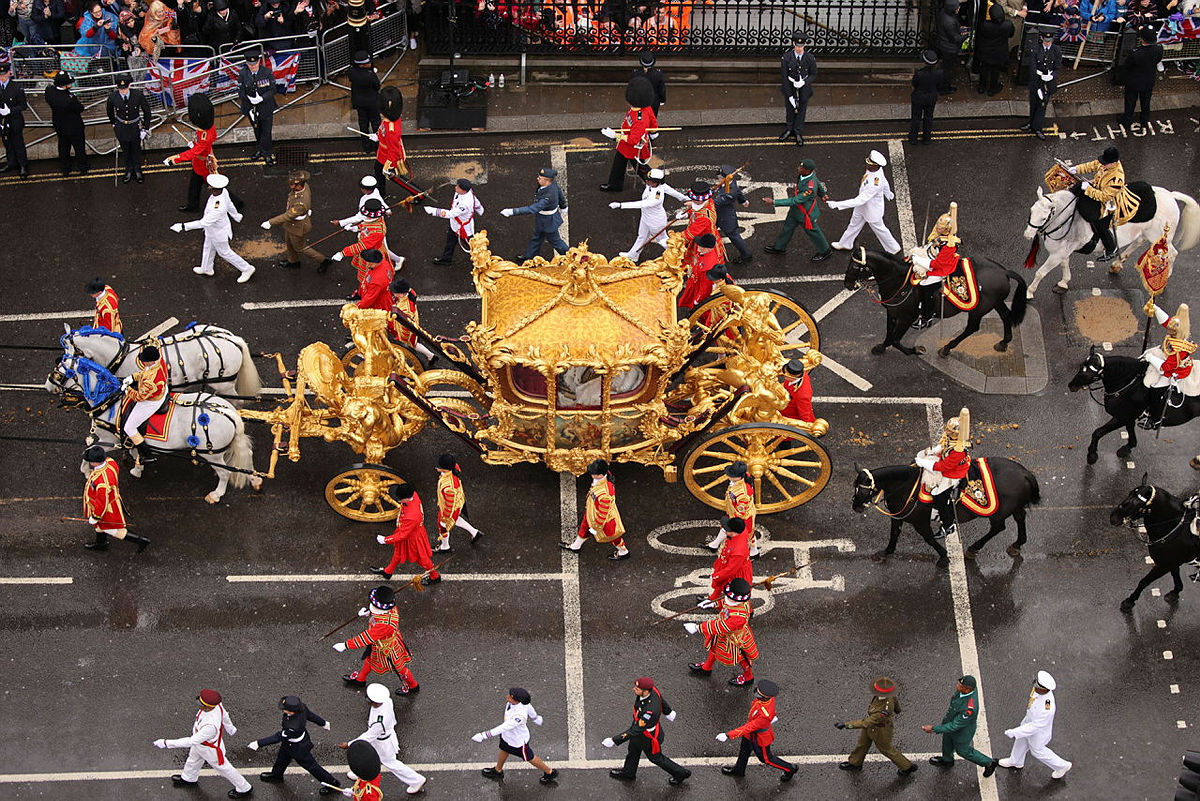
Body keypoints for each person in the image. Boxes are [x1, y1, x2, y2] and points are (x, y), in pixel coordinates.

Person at [151, 688, 253, 798]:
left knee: (224, 769)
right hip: (200, 744)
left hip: (209, 750)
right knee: (193, 759)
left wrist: (166, 743)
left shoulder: (210, 725)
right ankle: (188, 778)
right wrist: (230, 727)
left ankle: (244, 787)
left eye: (201, 704)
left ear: (208, 707)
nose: (198, 705)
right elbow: (224, 715)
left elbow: (191, 741)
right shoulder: (216, 705)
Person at [602, 677, 691, 785]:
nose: (634, 689)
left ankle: (680, 773)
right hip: (640, 733)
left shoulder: (649, 712)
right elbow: (661, 700)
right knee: (633, 750)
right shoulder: (652, 690)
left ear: (645, 691)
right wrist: (668, 712)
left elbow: (635, 730)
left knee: (656, 758)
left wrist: (614, 740)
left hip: (647, 737)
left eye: (637, 688)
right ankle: (628, 772)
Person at [171, 173, 257, 284]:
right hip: (212, 230)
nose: (209, 188)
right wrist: (235, 215)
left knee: (225, 252)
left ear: (216, 190)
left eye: (211, 187)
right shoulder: (223, 192)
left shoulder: (218, 208)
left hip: (218, 233)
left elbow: (203, 223)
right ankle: (206, 268)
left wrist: (183, 226)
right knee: (208, 247)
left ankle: (247, 268)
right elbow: (230, 204)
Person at [248, 695, 342, 795]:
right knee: (281, 759)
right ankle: (277, 775)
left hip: (298, 748)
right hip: (289, 743)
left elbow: (278, 737)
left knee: (312, 767)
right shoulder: (301, 708)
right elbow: (311, 716)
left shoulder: (293, 726)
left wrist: (259, 743)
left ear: (291, 711)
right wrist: (323, 723)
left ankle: (332, 783)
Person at [335, 585, 420, 694]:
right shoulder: (390, 608)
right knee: (370, 660)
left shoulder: (386, 624)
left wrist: (345, 645)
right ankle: (360, 679)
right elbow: (378, 614)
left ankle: (413, 685)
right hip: (380, 643)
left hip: (387, 647)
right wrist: (368, 613)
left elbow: (366, 637)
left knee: (400, 668)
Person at [473, 687, 559, 784]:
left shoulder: (519, 716)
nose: (508, 696)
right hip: (507, 736)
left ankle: (550, 772)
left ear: (517, 700)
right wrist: (535, 718)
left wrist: (484, 735)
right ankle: (498, 770)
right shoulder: (515, 703)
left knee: (529, 757)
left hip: (518, 742)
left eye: (510, 696)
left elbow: (504, 727)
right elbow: (529, 707)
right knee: (504, 749)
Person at [717, 679, 797, 781]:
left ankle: (789, 768)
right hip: (751, 734)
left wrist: (728, 735)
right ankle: (739, 769)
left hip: (759, 738)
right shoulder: (766, 700)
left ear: (765, 697)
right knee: (744, 751)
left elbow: (749, 727)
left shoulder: (764, 714)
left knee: (766, 759)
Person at [1068, 145, 1138, 262]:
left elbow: (1104, 197)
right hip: (1097, 188)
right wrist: (1078, 168)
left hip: (1109, 203)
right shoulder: (1107, 163)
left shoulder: (1117, 178)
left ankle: (1111, 248)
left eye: (1106, 163)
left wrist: (1088, 189)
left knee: (1100, 223)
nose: (1103, 164)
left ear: (1113, 163)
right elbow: (1094, 165)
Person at [998, 670, 1072, 779]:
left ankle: (1062, 765)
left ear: (1044, 689)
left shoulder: (1047, 708)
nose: (1034, 687)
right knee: (1021, 741)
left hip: (1038, 732)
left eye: (1037, 687)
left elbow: (1035, 727)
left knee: (1037, 751)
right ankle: (1015, 761)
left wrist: (1015, 732)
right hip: (1028, 721)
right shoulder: (1038, 689)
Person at [836, 676, 917, 775]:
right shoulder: (889, 696)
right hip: (872, 726)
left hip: (880, 729)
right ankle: (855, 762)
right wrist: (897, 710)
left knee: (886, 750)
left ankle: (906, 766)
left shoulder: (883, 710)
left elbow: (866, 722)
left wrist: (846, 725)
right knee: (862, 744)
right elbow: (896, 704)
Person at [827, 150, 901, 255]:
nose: (867, 165)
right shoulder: (875, 170)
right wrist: (887, 193)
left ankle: (893, 248)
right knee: (853, 224)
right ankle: (845, 243)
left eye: (869, 164)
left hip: (872, 210)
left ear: (876, 166)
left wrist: (837, 204)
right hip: (862, 207)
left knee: (880, 229)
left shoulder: (875, 184)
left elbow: (860, 200)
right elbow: (885, 182)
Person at [923, 675, 1000, 776]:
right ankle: (947, 760)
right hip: (951, 722)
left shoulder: (969, 708)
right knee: (947, 742)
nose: (957, 685)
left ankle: (988, 763)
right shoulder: (966, 690)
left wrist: (933, 728)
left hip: (962, 731)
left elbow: (955, 725)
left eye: (960, 685)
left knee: (963, 751)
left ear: (967, 690)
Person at [81, 445, 150, 552]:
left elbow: (102, 502)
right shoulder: (110, 462)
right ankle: (101, 543)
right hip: (111, 501)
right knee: (100, 525)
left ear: (95, 462)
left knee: (112, 529)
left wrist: (95, 516)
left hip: (107, 509)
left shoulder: (102, 482)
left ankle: (141, 541)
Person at [915, 407, 971, 538]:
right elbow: (944, 444)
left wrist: (924, 463)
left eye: (950, 431)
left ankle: (948, 525)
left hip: (954, 473)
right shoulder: (952, 439)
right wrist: (934, 451)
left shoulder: (958, 450)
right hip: (947, 462)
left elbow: (944, 467)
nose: (947, 432)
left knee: (939, 495)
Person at [611, 167, 688, 261]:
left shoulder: (656, 197)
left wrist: (620, 205)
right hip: (646, 217)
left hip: (656, 221)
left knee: (662, 240)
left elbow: (640, 204)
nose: (647, 181)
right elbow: (674, 193)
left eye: (650, 180)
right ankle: (633, 255)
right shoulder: (652, 185)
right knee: (642, 236)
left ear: (656, 182)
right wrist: (685, 198)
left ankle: (679, 256)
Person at [1140, 302, 1196, 429]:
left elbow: (1165, 367)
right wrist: (1156, 308)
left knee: (1156, 389)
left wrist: (1150, 358)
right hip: (1166, 357)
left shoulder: (1179, 350)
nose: (1168, 330)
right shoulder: (1178, 331)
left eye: (1171, 330)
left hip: (1174, 371)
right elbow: (1167, 322)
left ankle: (1154, 418)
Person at [560, 458, 631, 560]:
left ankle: (623, 551)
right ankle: (576, 546)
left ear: (600, 475)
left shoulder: (604, 494)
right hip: (592, 512)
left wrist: (596, 527)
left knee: (614, 537)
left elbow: (603, 513)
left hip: (605, 521)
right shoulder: (603, 479)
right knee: (584, 527)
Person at [761, 159, 831, 261]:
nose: (799, 168)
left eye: (802, 168)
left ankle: (825, 251)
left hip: (805, 214)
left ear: (808, 171)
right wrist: (823, 194)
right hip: (795, 211)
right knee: (787, 229)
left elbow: (796, 200)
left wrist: (773, 202)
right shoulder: (809, 175)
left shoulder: (809, 188)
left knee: (814, 232)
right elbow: (818, 182)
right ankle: (779, 247)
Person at [262, 170, 332, 271]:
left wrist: (270, 222)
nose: (290, 186)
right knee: (289, 242)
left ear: (299, 185)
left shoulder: (300, 203)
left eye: (292, 184)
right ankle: (293, 261)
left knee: (300, 248)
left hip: (297, 226)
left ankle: (323, 260)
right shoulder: (303, 187)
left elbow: (288, 215)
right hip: (290, 224)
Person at [372, 483, 441, 583]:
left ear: (405, 499)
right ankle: (388, 572)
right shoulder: (413, 495)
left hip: (413, 537)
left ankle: (435, 576)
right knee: (398, 552)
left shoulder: (412, 516)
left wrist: (385, 540)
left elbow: (402, 535)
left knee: (421, 558)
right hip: (408, 530)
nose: (397, 501)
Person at [599, 75, 657, 192]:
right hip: (627, 145)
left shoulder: (640, 119)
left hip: (634, 147)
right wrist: (653, 132)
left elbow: (633, 140)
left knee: (641, 168)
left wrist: (615, 136)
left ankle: (655, 182)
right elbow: (653, 121)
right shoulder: (645, 107)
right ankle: (615, 184)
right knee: (619, 165)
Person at [909, 201, 962, 327]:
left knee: (925, 284)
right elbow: (931, 245)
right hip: (933, 257)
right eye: (938, 226)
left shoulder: (950, 245)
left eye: (941, 228)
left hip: (942, 268)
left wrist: (917, 260)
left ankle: (927, 316)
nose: (937, 229)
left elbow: (936, 264)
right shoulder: (941, 235)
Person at [501, 167, 570, 263]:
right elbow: (560, 194)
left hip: (548, 221)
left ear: (546, 181)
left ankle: (572, 257)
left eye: (540, 177)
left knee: (556, 241)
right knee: (537, 237)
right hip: (542, 219)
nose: (537, 178)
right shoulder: (552, 185)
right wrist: (563, 206)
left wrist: (513, 211)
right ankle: (528, 257)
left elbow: (532, 208)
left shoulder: (547, 196)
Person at [165, 93, 217, 213]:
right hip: (199, 163)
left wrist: (175, 159)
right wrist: (195, 144)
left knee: (217, 187)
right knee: (194, 186)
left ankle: (235, 203)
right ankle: (192, 205)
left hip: (204, 166)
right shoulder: (205, 129)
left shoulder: (205, 135)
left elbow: (193, 153)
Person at [119, 343, 169, 465]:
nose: (143, 362)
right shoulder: (158, 361)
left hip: (152, 401)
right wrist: (133, 377)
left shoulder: (151, 381)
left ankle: (147, 455)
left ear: (151, 361)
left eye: (145, 360)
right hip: (162, 389)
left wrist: (127, 389)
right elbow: (144, 373)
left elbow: (139, 397)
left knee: (129, 428)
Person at [331, 198, 391, 287]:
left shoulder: (378, 232)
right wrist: (356, 228)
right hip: (367, 250)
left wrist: (342, 253)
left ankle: (364, 288)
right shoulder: (375, 220)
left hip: (371, 255)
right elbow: (366, 226)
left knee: (368, 276)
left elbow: (361, 246)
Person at [706, 461, 759, 556]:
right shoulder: (740, 480)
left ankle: (754, 552)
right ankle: (714, 545)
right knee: (725, 527)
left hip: (743, 517)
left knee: (749, 535)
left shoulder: (743, 494)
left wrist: (733, 521)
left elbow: (742, 512)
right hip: (733, 511)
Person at [426, 178, 484, 265]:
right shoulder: (467, 192)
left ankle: (482, 261)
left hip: (464, 229)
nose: (456, 187)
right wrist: (480, 210)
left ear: (464, 190)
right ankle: (446, 259)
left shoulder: (465, 204)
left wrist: (433, 211)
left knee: (473, 246)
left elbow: (451, 214)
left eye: (458, 187)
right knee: (450, 242)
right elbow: (475, 200)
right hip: (455, 224)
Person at [107, 74, 151, 184]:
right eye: (121, 89)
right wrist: (114, 124)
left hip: (135, 126)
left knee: (136, 149)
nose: (123, 91)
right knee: (125, 150)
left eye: (125, 88)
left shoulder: (138, 95)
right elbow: (109, 112)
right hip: (121, 127)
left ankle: (137, 170)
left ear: (129, 85)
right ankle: (128, 170)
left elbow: (147, 111)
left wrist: (145, 127)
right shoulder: (113, 97)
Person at [434, 453, 482, 551]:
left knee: (443, 527)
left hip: (450, 508)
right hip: (457, 505)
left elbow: (449, 506)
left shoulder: (449, 487)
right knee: (455, 519)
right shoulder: (451, 471)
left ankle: (445, 547)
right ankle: (474, 532)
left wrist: (445, 519)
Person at [237, 47, 277, 166]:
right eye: (250, 64)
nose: (253, 67)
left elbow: (273, 90)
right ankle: (260, 149)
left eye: (255, 64)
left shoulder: (267, 72)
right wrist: (249, 104)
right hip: (251, 108)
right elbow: (240, 92)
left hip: (265, 107)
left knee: (266, 131)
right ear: (246, 63)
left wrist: (262, 98)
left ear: (259, 62)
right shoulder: (243, 74)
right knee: (257, 130)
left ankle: (267, 152)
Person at [1119, 27, 1164, 129]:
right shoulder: (1159, 49)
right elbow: (1157, 60)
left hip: (1134, 82)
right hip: (1149, 80)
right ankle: (1144, 119)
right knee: (1146, 101)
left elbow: (1127, 66)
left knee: (1130, 101)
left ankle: (1127, 119)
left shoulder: (1135, 53)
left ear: (1142, 39)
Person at [44, 71, 86, 176]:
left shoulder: (50, 92)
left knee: (63, 148)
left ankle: (65, 168)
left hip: (59, 125)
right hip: (74, 126)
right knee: (79, 148)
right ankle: (82, 167)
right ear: (65, 85)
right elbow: (79, 108)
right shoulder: (69, 99)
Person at [779, 31, 816, 146]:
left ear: (805, 45)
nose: (799, 48)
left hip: (803, 88)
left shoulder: (809, 58)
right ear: (793, 44)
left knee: (801, 110)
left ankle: (798, 131)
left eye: (801, 46)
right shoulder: (786, 57)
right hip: (790, 86)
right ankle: (790, 129)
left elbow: (813, 74)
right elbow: (784, 77)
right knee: (790, 109)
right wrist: (789, 95)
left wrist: (804, 82)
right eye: (796, 45)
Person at [1022, 30, 1061, 141]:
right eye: (1045, 41)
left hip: (1048, 84)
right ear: (1042, 39)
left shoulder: (1056, 50)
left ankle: (1037, 128)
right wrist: (1039, 75)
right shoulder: (1035, 49)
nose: (1047, 43)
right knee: (1033, 104)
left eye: (1049, 41)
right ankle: (1031, 123)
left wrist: (1051, 76)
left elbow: (1058, 68)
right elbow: (1032, 66)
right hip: (1036, 81)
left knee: (1042, 106)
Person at [390, 277, 438, 363]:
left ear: (401, 294)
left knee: (411, 344)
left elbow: (404, 320)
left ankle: (430, 355)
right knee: (415, 343)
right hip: (411, 325)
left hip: (406, 331)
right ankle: (430, 355)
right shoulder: (410, 295)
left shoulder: (405, 308)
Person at [704, 516, 751, 604]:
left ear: (733, 532)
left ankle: (748, 611)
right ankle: (713, 599)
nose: (722, 529)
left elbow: (730, 570)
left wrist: (716, 576)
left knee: (738, 594)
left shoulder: (738, 551)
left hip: (735, 571)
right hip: (728, 562)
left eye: (726, 529)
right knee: (721, 584)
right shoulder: (741, 530)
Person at [371, 86, 407, 197]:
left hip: (387, 158)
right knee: (380, 172)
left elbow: (393, 150)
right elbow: (383, 129)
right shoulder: (390, 120)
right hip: (383, 152)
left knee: (389, 175)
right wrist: (378, 136)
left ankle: (382, 194)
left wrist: (387, 166)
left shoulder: (391, 130)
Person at [712, 165, 751, 264]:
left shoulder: (730, 192)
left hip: (725, 216)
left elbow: (715, 202)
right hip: (717, 213)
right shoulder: (729, 183)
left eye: (720, 177)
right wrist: (743, 201)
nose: (718, 179)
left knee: (733, 236)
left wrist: (699, 200)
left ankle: (746, 255)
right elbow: (738, 191)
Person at [677, 233, 722, 312]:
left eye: (701, 246)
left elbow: (705, 287)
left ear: (707, 249)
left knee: (699, 310)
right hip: (695, 281)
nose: (698, 246)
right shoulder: (704, 253)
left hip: (698, 286)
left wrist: (698, 300)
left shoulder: (708, 267)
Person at [0, 62, 30, 179]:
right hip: (2, 121)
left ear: (9, 73)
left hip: (14, 120)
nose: (2, 77)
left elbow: (23, 106)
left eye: (4, 74)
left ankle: (23, 165)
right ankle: (11, 162)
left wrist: (10, 111)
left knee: (18, 143)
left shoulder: (16, 88)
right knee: (7, 143)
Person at [976, 6, 1013, 96]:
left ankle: (982, 87)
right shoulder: (1007, 25)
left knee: (984, 69)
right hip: (999, 52)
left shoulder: (984, 25)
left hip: (986, 51)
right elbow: (1011, 34)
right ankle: (993, 88)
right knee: (995, 71)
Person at [349, 51, 382, 153]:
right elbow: (377, 86)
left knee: (363, 124)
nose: (370, 63)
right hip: (372, 103)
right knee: (376, 124)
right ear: (362, 65)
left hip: (359, 102)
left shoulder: (351, 72)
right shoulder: (370, 75)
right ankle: (377, 146)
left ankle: (366, 146)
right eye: (368, 62)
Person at [909, 50, 942, 144]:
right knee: (928, 117)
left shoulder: (919, 73)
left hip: (919, 97)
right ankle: (927, 138)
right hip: (931, 97)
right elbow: (939, 85)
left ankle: (913, 138)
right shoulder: (939, 73)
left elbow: (915, 83)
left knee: (916, 117)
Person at [935, 0, 966, 93]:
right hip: (949, 48)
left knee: (946, 67)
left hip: (944, 44)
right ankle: (945, 88)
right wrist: (965, 35)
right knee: (948, 69)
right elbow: (955, 38)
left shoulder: (944, 13)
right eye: (957, 7)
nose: (959, 9)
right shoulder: (949, 22)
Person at [780, 357, 817, 425]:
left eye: (786, 375)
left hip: (789, 416)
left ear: (792, 377)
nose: (784, 376)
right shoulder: (801, 374)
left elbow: (805, 415)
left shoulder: (802, 395)